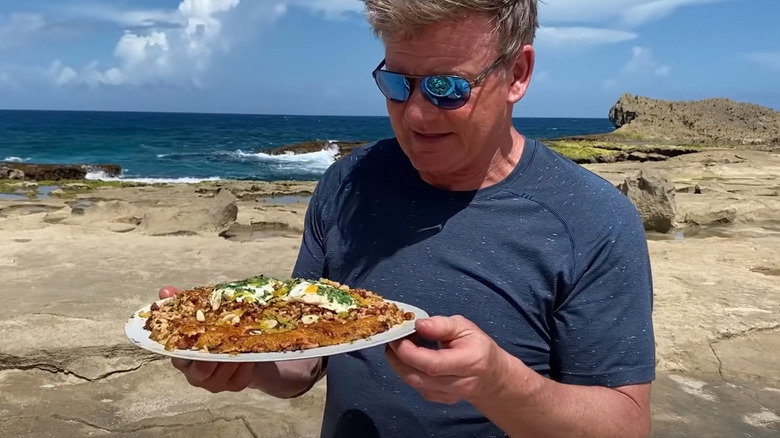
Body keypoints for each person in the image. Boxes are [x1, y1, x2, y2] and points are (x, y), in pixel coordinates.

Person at [159, 0, 656, 437]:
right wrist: (242, 358)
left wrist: (499, 384)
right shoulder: (348, 185)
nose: (415, 115)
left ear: (517, 74)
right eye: (398, 84)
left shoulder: (592, 218)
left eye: (446, 87)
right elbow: (304, 364)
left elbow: (625, 425)